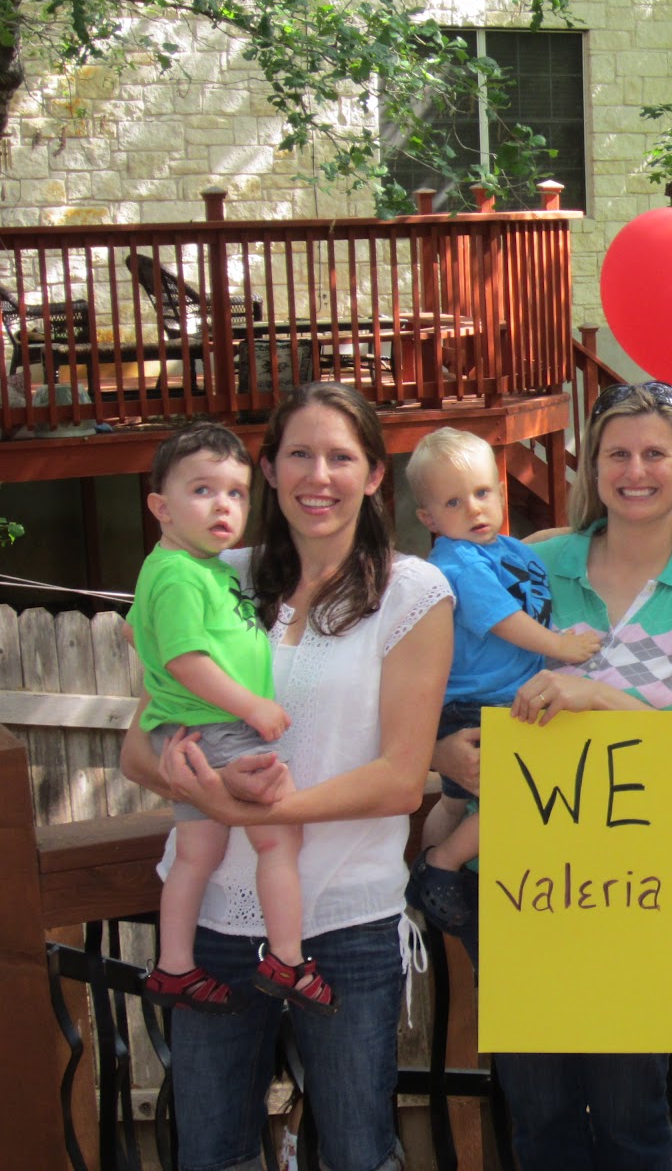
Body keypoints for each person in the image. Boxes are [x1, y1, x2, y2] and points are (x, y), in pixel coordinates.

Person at [120, 382, 453, 1171]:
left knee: (357, 1154)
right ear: (267, 469)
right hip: (211, 921)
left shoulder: (412, 593)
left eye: (341, 456)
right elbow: (137, 749)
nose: (319, 475)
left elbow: (400, 779)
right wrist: (197, 785)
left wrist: (254, 813)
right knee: (211, 1153)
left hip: (344, 922)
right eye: (299, 454)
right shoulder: (212, 574)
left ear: (375, 474)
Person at [470, 380, 672, 1171]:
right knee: (541, 1124)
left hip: (645, 893)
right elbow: (458, 678)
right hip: (527, 889)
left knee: (634, 1122)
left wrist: (599, 697)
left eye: (655, 453)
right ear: (592, 467)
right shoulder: (532, 566)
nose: (636, 471)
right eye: (617, 454)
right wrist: (450, 751)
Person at [132, 423, 331, 1015]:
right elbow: (185, 660)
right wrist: (252, 707)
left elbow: (144, 635)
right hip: (217, 724)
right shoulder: (178, 574)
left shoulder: (200, 568)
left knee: (198, 852)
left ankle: (174, 967)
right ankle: (288, 959)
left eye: (237, 494)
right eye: (202, 491)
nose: (223, 505)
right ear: (161, 508)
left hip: (190, 727)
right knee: (279, 835)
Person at [402, 427, 601, 936]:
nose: (473, 508)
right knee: (518, 790)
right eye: (453, 502)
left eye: (482, 492)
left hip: (500, 695)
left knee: (461, 798)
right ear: (429, 519)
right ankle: (441, 864)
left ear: (500, 492)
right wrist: (560, 647)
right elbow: (502, 620)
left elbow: (537, 575)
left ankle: (437, 864)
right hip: (474, 700)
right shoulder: (457, 561)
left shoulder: (509, 550)